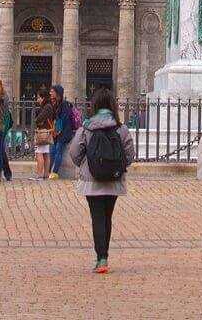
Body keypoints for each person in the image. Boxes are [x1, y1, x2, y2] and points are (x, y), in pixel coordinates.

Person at [67, 86, 130, 274]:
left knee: (97, 218)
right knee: (107, 217)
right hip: (113, 180)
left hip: (92, 180)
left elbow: (74, 152)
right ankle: (104, 257)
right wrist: (117, 166)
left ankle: (101, 259)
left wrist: (85, 165)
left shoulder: (86, 127)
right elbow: (129, 154)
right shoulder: (121, 128)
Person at [48, 84, 78, 181]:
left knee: (58, 150)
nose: (50, 93)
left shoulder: (64, 105)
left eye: (52, 91)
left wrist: (58, 130)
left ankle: (54, 172)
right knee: (52, 150)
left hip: (64, 132)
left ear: (57, 93)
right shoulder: (55, 104)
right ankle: (49, 171)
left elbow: (64, 120)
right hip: (57, 132)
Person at [33, 93, 55, 177]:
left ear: (43, 98)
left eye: (39, 98)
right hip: (47, 131)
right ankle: (45, 174)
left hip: (42, 132)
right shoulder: (49, 106)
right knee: (46, 153)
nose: (37, 100)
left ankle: (39, 174)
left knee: (39, 153)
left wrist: (37, 120)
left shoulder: (46, 107)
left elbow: (39, 118)